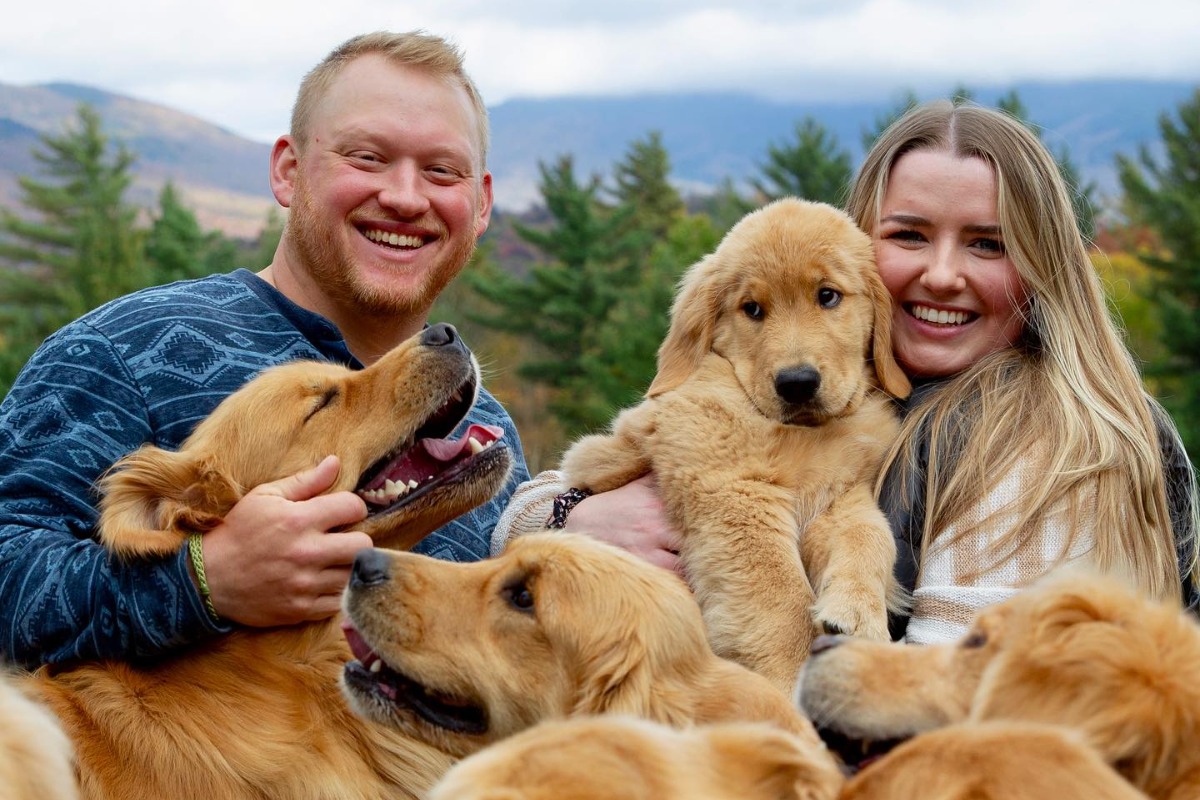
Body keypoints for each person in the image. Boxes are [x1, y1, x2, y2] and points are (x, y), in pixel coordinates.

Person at [493, 100, 1198, 644]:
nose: (942, 274)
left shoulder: (1044, 441)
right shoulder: (859, 393)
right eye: (909, 235)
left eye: (988, 244)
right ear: (858, 243)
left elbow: (944, 709)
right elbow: (559, 493)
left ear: (1043, 267)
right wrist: (571, 515)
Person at [0, 30, 530, 668]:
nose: (405, 197)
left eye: (442, 171)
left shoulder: (482, 437)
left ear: (481, 205)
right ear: (288, 170)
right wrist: (203, 581)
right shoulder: (121, 352)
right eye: (367, 157)